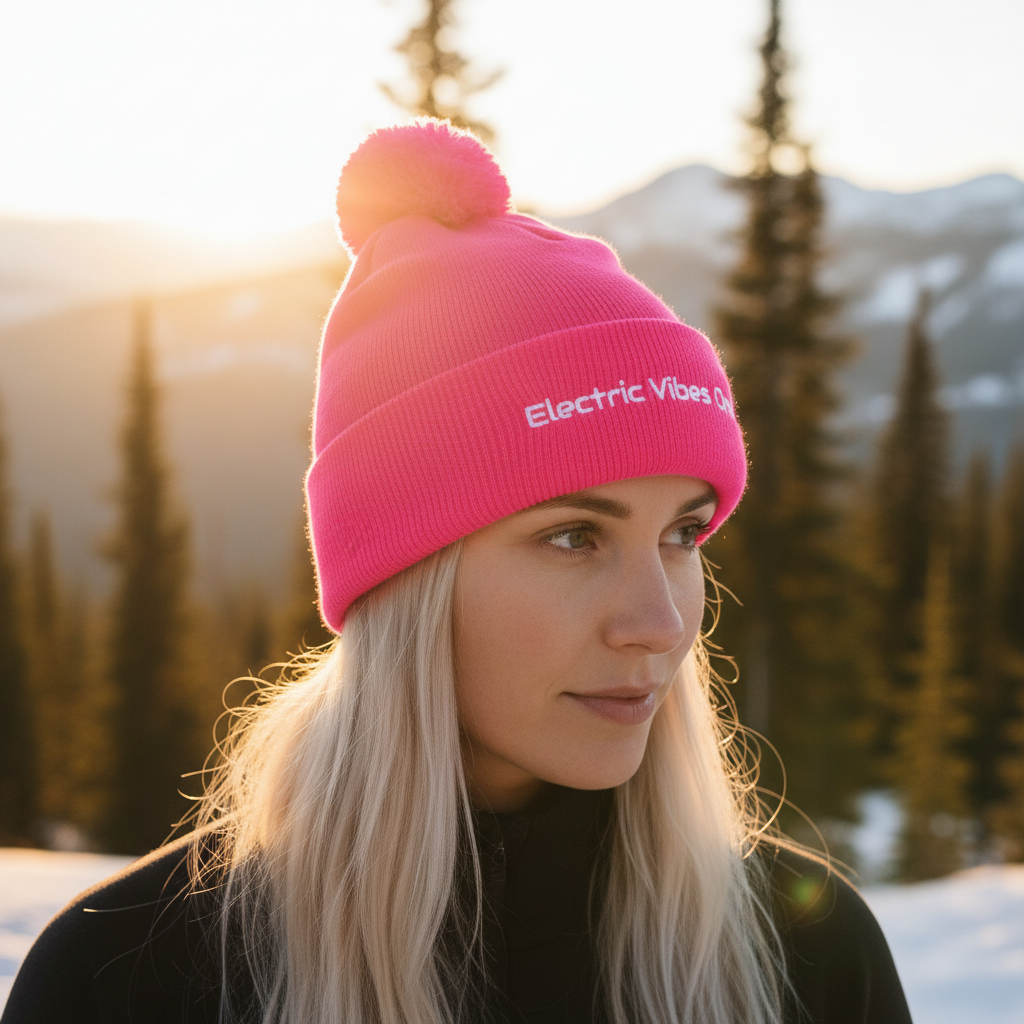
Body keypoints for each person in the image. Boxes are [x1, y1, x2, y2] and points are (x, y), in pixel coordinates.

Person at [2, 120, 912, 1024]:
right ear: (406, 576)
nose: (660, 624)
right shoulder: (129, 977)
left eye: (683, 533)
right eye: (573, 537)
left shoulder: (808, 957)